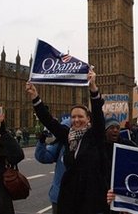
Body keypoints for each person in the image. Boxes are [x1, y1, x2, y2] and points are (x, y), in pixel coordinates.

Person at [26, 68, 109, 214]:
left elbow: (98, 114)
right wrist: (35, 97)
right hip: (70, 197)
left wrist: (93, 89)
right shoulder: (67, 135)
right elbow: (49, 121)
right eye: (74, 117)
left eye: (80, 117)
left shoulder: (95, 136)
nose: (76, 120)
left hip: (92, 198)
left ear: (88, 119)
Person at [34, 118, 71, 214]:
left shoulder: (88, 143)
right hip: (59, 197)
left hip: (80, 197)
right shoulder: (60, 145)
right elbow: (43, 157)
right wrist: (42, 141)